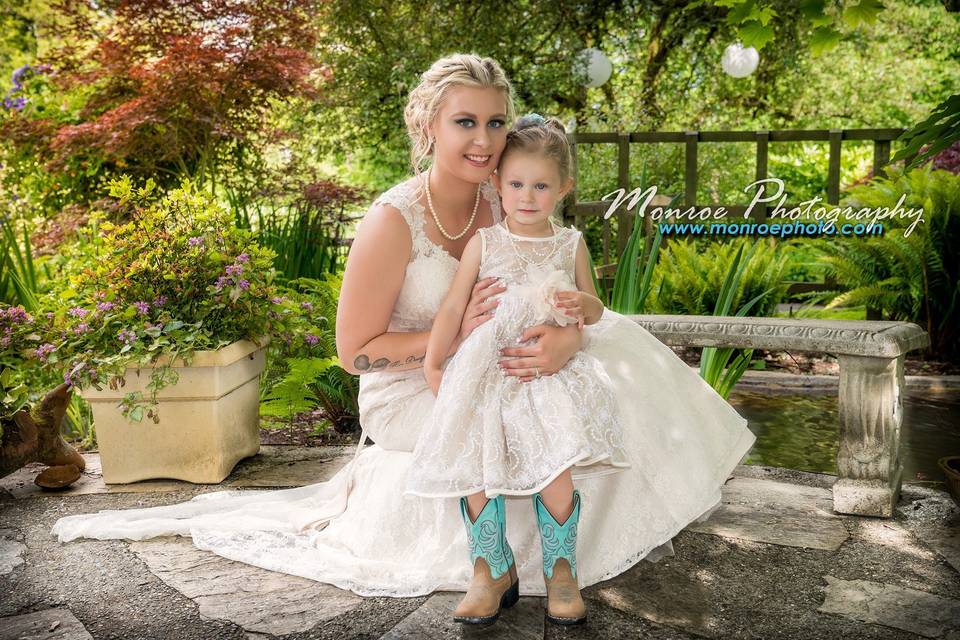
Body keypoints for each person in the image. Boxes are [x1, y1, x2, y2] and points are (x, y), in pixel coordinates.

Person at [50, 54, 756, 624]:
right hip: (409, 380)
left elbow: (556, 290)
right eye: (465, 122)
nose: (484, 139)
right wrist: (453, 346)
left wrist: (565, 342)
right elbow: (352, 351)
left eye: (496, 122)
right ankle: (492, 566)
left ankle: (563, 561)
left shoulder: (511, 196)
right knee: (489, 421)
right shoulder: (393, 221)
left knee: (588, 394)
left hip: (506, 367)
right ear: (428, 125)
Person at [406, 112, 634, 624]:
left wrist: (581, 308)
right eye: (515, 183)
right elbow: (452, 308)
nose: (527, 196)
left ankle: (561, 572)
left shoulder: (570, 243)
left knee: (555, 462)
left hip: (545, 371)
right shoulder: (484, 243)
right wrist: (435, 365)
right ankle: (490, 569)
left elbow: (596, 309)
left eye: (541, 186)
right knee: (471, 457)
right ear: (497, 184)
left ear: (563, 188)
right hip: (487, 368)